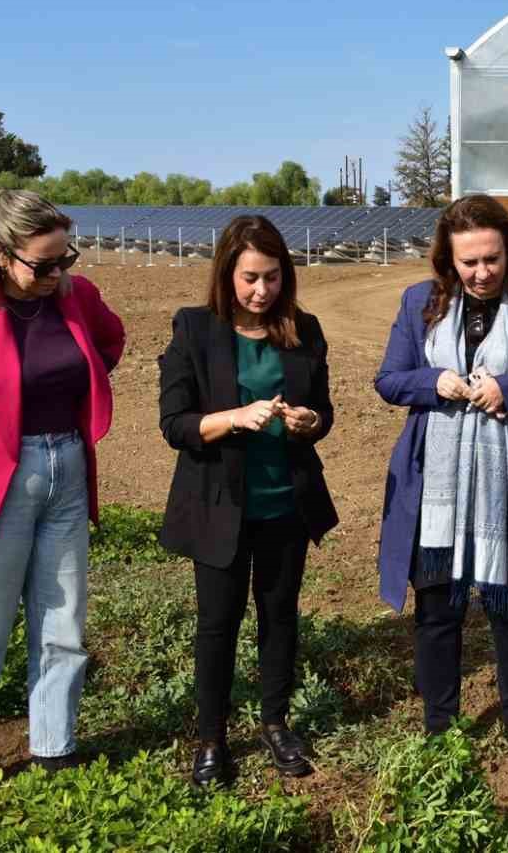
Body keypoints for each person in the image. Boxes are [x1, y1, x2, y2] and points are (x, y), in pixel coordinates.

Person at [0, 189, 125, 770]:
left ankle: (54, 750)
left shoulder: (75, 296)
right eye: (44, 263)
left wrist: (77, 384)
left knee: (63, 625)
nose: (58, 272)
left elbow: (110, 341)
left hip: (68, 469)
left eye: (66, 258)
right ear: (0, 252)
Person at [374, 195, 508, 767]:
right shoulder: (420, 303)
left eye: (492, 259)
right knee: (438, 611)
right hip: (438, 486)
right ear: (448, 261)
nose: (483, 272)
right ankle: (441, 723)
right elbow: (389, 380)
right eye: (469, 263)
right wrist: (433, 382)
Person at [157, 216, 336, 787]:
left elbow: (322, 413)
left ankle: (276, 723)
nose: (263, 291)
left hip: (285, 503)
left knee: (279, 617)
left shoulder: (303, 330)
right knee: (218, 623)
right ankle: (211, 737)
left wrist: (309, 421)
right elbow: (174, 423)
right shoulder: (195, 330)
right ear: (226, 274)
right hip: (220, 507)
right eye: (251, 278)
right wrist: (232, 418)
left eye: (274, 278)